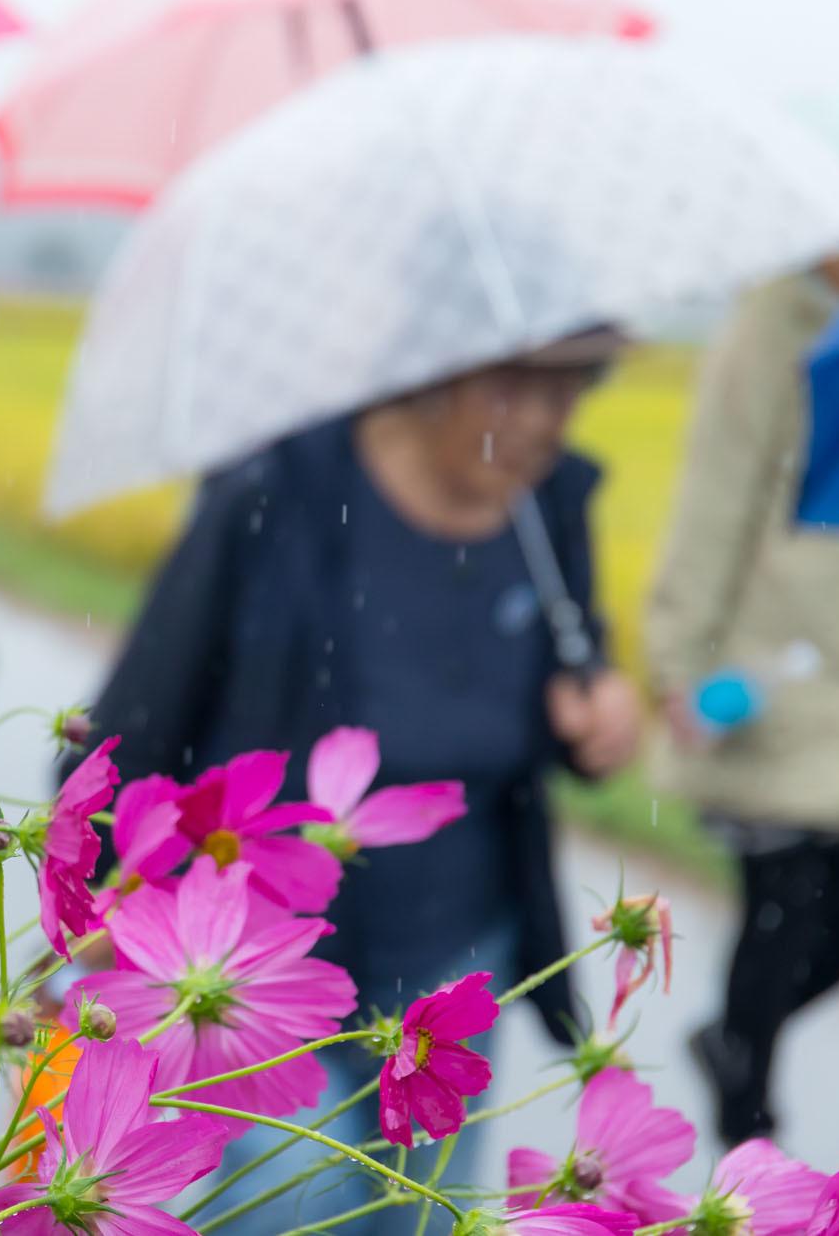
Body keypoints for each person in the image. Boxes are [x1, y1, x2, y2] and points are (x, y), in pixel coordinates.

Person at [65, 332, 643, 1234]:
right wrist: (106, 886)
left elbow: (567, 669)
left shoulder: (550, 505)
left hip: (456, 948)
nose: (540, 421)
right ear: (431, 367)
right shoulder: (277, 490)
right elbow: (138, 715)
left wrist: (598, 719)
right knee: (302, 1192)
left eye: (568, 388)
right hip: (244, 948)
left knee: (417, 1209)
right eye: (512, 385)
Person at [646, 255, 839, 1146]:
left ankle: (731, 1042)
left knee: (831, 913)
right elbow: (718, 491)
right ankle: (749, 1141)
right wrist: (678, 654)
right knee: (784, 895)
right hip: (780, 660)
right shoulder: (776, 320)